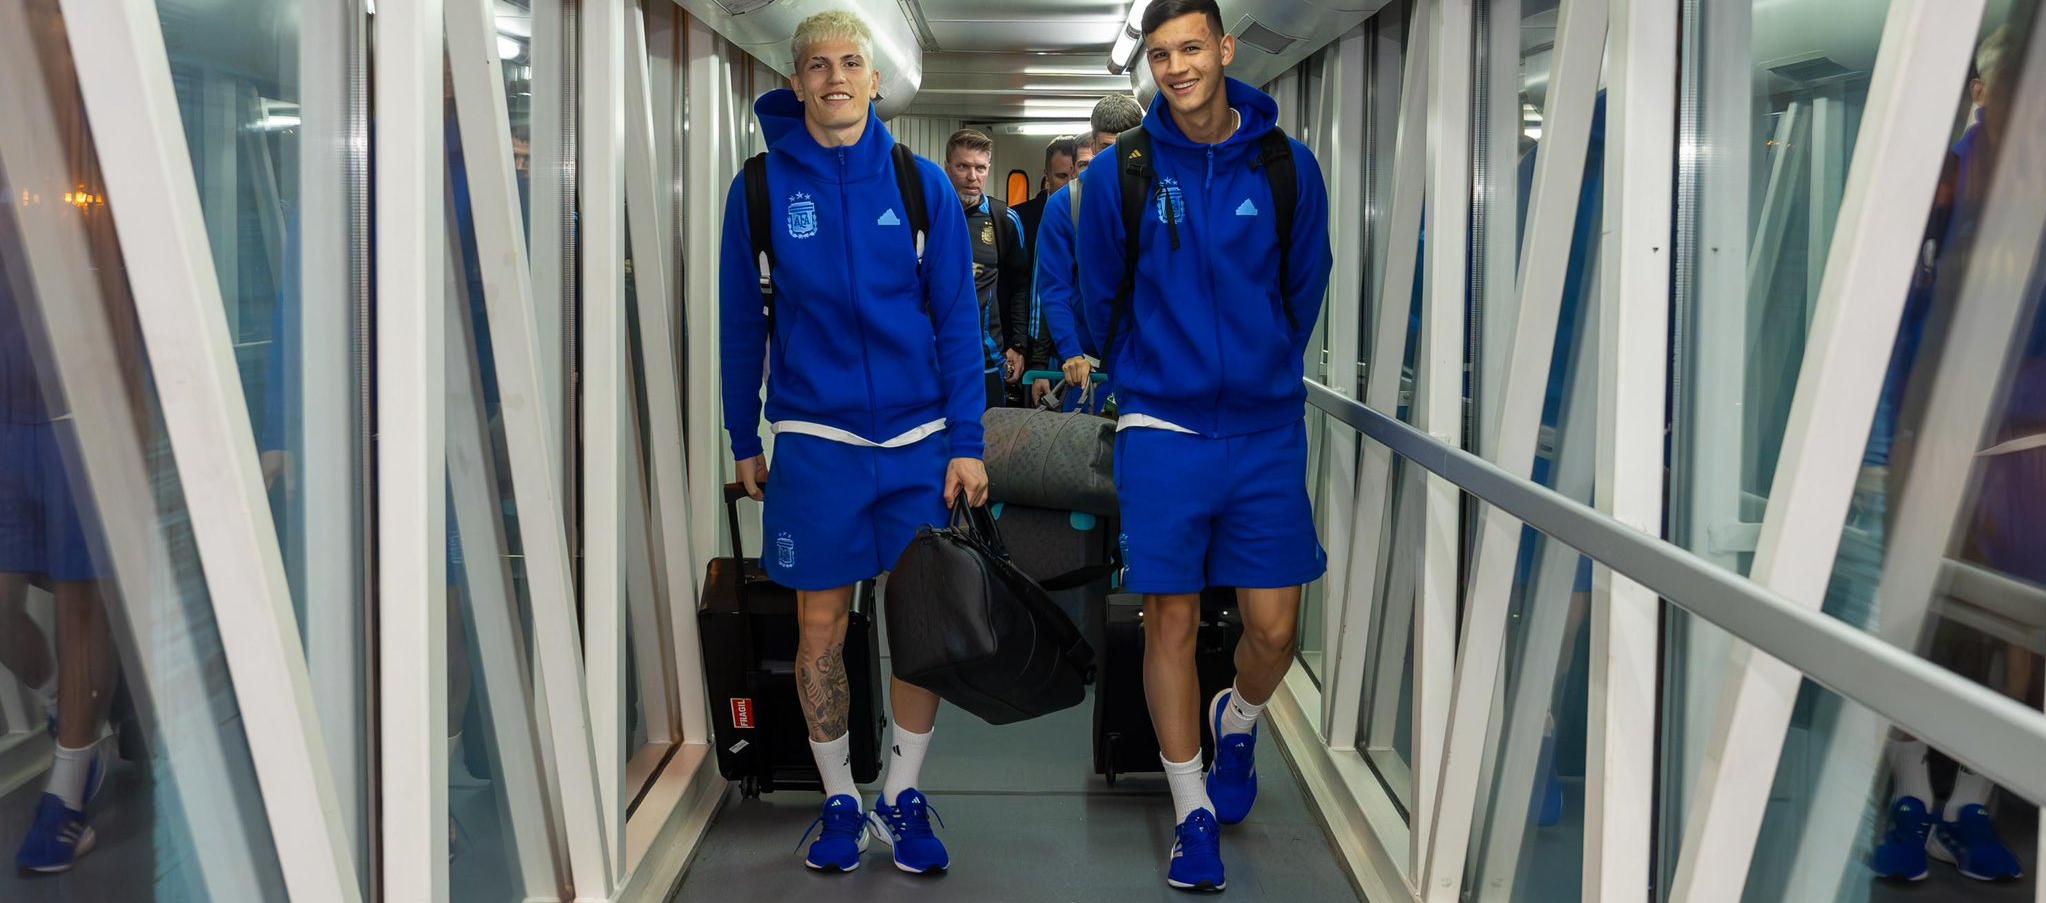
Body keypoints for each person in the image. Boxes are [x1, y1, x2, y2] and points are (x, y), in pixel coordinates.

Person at [718, 10, 988, 876]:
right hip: (817, 445)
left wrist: (967, 439)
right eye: (817, 66)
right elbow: (739, 324)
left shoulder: (920, 188)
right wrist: (741, 432)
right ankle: (840, 799)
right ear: (796, 83)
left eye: (850, 64)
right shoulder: (759, 190)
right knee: (820, 627)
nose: (835, 78)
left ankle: (902, 797)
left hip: (916, 444)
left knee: (921, 629)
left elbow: (956, 321)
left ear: (875, 83)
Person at [1073, 0, 1330, 890]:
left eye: (1191, 47)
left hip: (1263, 431)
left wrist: (1258, 369)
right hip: (1163, 431)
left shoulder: (1287, 168)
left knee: (1275, 626)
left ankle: (1240, 720)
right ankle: (1192, 815)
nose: (1177, 66)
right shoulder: (1125, 176)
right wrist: (1145, 375)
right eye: (1159, 54)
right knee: (1169, 619)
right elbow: (1102, 293)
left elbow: (1303, 291)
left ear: (1224, 49)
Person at [1869, 23, 2036, 884]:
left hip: (2030, 451)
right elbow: (1892, 324)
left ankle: (1972, 796)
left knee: (2020, 630)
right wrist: (1875, 445)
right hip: (1932, 444)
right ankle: (1907, 787)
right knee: (1920, 623)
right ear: (1984, 90)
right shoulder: (1943, 181)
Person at [0, 253, 118, 876]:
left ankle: (66, 792)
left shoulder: (68, 175)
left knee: (79, 599)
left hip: (76, 418)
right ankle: (62, 706)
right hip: (7, 420)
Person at [1033, 94, 1144, 409]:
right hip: (1090, 367)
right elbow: (1054, 288)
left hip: (1146, 362)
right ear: (1093, 146)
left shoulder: (1156, 195)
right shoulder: (1065, 206)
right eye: (1108, 147)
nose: (1116, 156)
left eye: (1126, 145)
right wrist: (1070, 352)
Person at [943, 128, 1033, 408]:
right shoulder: (928, 214)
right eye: (963, 167)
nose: (972, 177)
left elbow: (1021, 284)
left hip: (986, 360)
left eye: (980, 168)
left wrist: (1018, 345)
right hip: (933, 359)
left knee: (987, 447)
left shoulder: (1003, 219)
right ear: (947, 167)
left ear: (988, 169)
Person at [1011, 135, 1077, 253]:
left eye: (1075, 177)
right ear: (1047, 177)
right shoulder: (1017, 219)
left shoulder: (1095, 216)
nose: (1070, 184)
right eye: (1062, 176)